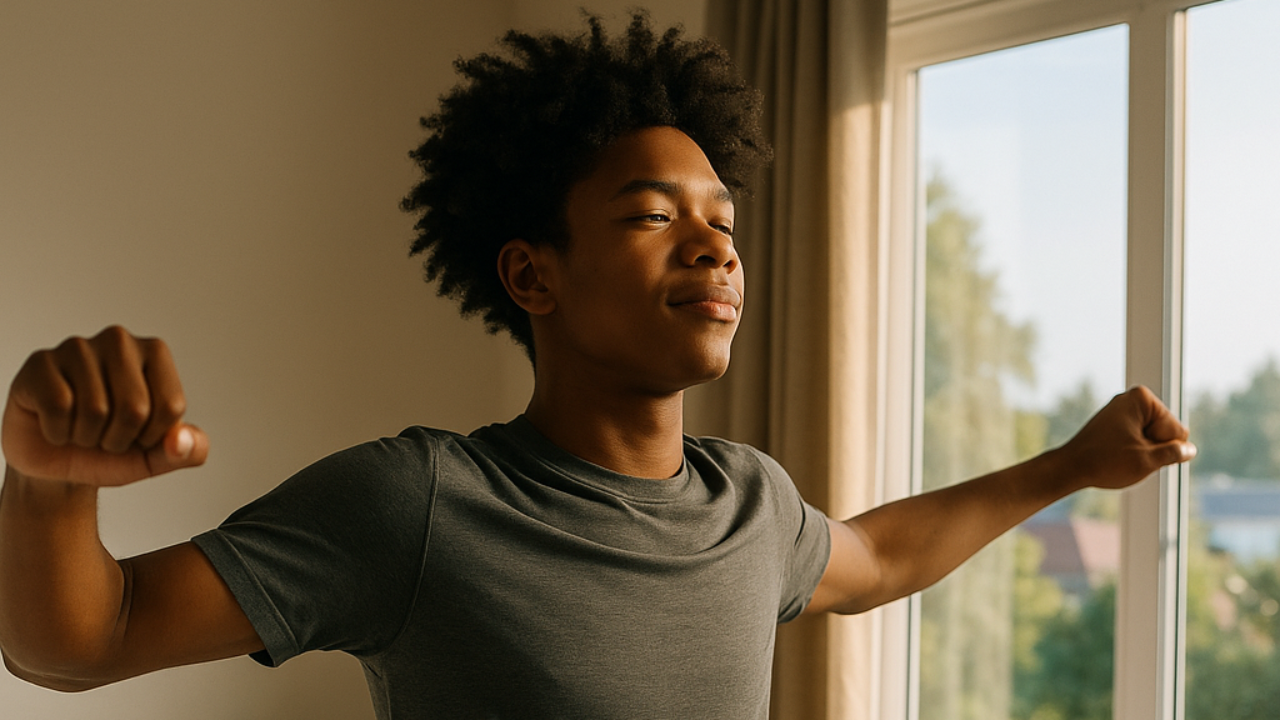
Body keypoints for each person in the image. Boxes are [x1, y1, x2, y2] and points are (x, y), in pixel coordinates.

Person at [0, 13, 1193, 720]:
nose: (715, 243)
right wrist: (51, 485)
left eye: (722, 218)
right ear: (534, 276)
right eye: (650, 215)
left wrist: (1071, 464)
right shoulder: (417, 504)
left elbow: (879, 559)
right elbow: (81, 642)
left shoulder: (751, 503)